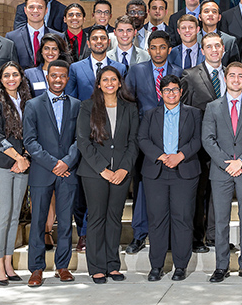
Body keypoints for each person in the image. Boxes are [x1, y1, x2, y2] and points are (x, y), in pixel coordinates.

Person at [202, 62, 242, 283]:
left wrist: (241, 162)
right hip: (221, 171)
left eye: (241, 76)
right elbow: (208, 140)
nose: (236, 79)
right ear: (225, 78)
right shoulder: (213, 107)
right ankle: (221, 266)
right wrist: (226, 162)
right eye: (232, 75)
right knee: (220, 220)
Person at [76, 66, 140, 283]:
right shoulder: (87, 107)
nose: (110, 83)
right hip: (95, 173)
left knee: (114, 219)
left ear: (120, 83)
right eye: (105, 79)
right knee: (96, 218)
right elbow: (83, 142)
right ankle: (96, 267)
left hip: (122, 173)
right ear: (99, 84)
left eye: (114, 79)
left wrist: (123, 169)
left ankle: (112, 265)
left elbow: (134, 141)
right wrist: (103, 169)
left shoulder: (130, 108)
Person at [138, 75, 202, 282]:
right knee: (157, 220)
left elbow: (198, 139)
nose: (171, 93)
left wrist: (180, 156)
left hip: (184, 171)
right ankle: (156, 266)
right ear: (161, 93)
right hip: (156, 171)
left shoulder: (193, 114)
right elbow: (142, 139)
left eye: (175, 90)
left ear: (181, 92)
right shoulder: (150, 114)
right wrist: (161, 155)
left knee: (182, 219)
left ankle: (180, 266)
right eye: (167, 90)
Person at [22, 60, 81, 287]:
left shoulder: (76, 105)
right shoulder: (33, 105)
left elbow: (79, 139)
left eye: (62, 76)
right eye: (54, 75)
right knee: (38, 221)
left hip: (67, 172)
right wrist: (52, 163)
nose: (58, 79)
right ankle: (36, 269)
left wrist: (66, 162)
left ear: (67, 79)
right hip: (42, 171)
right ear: (47, 76)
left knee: (66, 221)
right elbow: (30, 140)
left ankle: (62, 266)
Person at [123, 30, 178, 255]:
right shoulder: (136, 71)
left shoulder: (179, 72)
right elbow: (128, 103)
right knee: (143, 188)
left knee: (171, 190)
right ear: (148, 49)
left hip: (172, 139)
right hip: (144, 140)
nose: (158, 51)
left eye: (162, 47)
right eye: (153, 47)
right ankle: (139, 233)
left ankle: (170, 235)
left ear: (169, 49)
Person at [0, 62, 33, 285]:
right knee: (2, 214)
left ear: (21, 77)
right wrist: (19, 158)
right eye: (6, 75)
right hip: (1, 165)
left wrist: (25, 158)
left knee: (14, 216)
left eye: (15, 75)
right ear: (1, 80)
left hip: (22, 165)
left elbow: (33, 134)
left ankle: (8, 262)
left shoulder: (28, 103)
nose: (11, 78)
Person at [180, 32, 227, 252]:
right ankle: (196, 238)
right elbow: (184, 112)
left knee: (219, 194)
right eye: (209, 46)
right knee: (199, 194)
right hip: (198, 147)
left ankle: (215, 236)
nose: (214, 50)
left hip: (227, 147)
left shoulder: (232, 75)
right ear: (202, 50)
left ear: (223, 49)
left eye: (218, 46)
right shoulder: (189, 76)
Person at [67, 26, 125, 100]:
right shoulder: (76, 68)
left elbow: (123, 98)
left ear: (108, 42)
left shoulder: (120, 68)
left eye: (103, 38)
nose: (99, 41)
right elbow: (71, 99)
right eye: (94, 38)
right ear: (88, 43)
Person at [6, 0, 60, 69]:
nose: (35, 11)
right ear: (25, 10)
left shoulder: (58, 37)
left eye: (40, 7)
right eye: (31, 7)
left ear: (46, 10)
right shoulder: (12, 37)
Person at [198, 0, 241, 66]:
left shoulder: (230, 41)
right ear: (199, 17)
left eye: (214, 12)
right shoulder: (193, 40)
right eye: (206, 11)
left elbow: (234, 68)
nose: (210, 14)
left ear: (219, 17)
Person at [24, 33, 67, 97]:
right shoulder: (29, 74)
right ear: (41, 51)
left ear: (59, 52)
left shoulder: (68, 73)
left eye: (54, 49)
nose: (50, 52)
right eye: (46, 48)